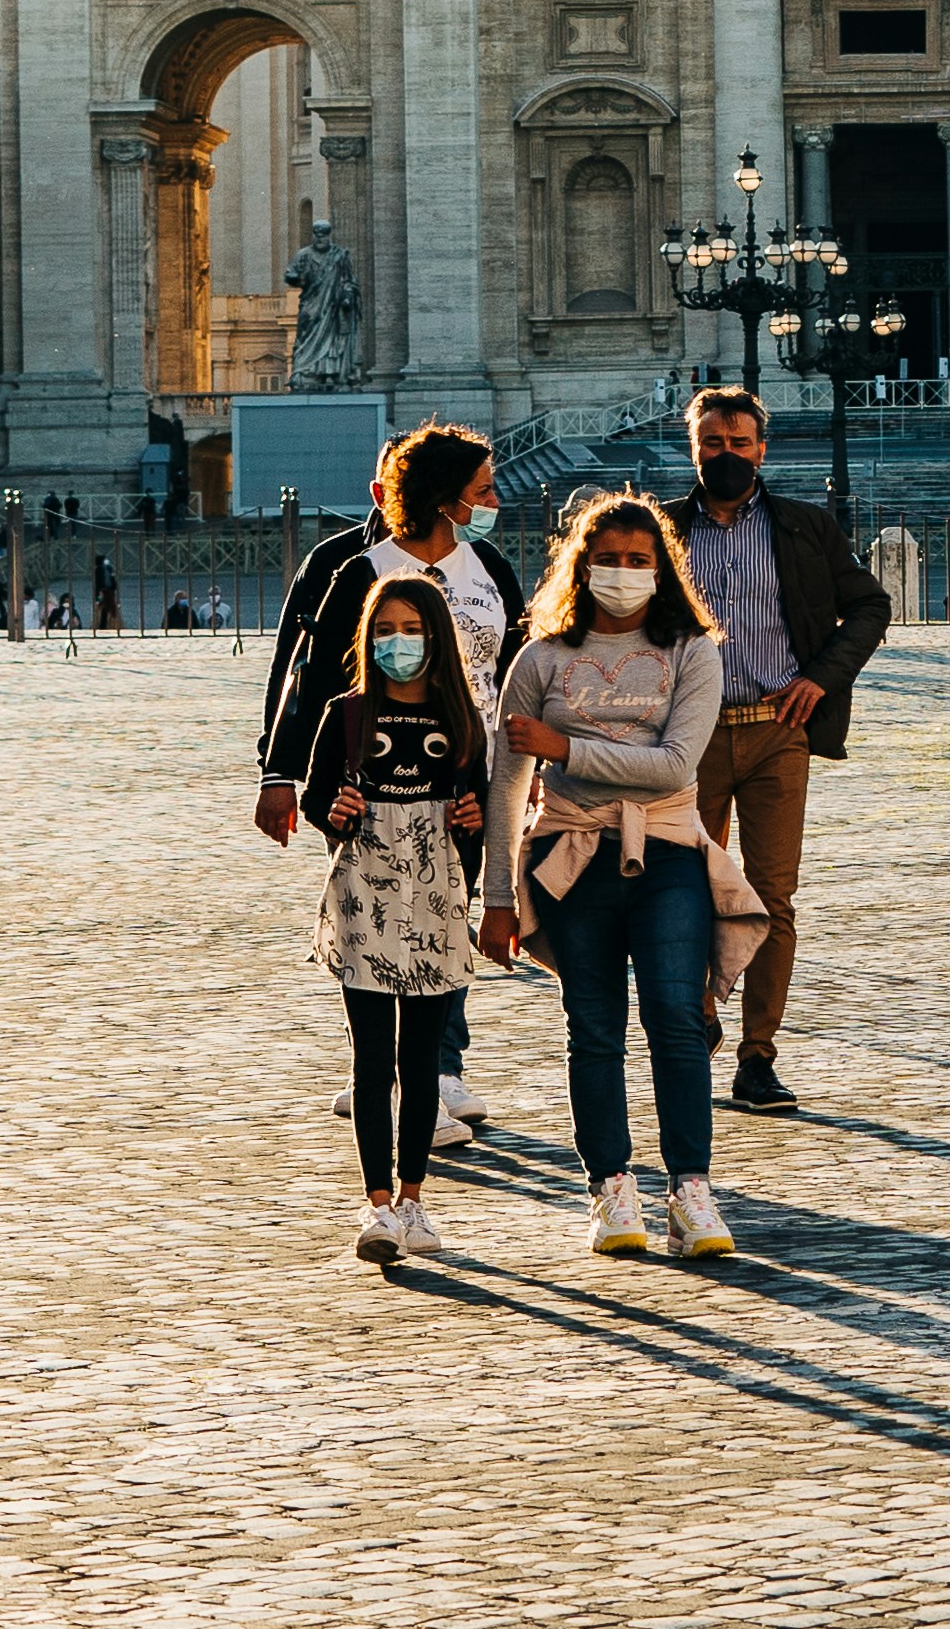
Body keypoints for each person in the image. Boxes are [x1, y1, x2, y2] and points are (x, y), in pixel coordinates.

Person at [476, 492, 743, 1261]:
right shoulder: (541, 656)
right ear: (579, 563)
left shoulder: (693, 650)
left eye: (638, 560)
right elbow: (504, 781)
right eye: (609, 559)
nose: (622, 573)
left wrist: (564, 747)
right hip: (568, 857)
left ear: (662, 571)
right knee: (592, 1027)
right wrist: (498, 897)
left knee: (675, 1020)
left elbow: (673, 766)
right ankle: (610, 1184)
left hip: (666, 853)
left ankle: (691, 1186)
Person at [257, 420, 511, 1144]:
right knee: (383, 926)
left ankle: (425, 1074)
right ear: (443, 498)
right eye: (482, 490)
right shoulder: (363, 570)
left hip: (469, 776)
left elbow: (517, 662)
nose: (494, 500)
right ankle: (398, 1083)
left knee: (442, 919)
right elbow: (308, 678)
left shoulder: (488, 564)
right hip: (377, 784)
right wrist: (281, 773)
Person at [661, 386, 891, 1118]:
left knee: (769, 896)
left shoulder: (804, 527)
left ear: (763, 448)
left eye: (739, 443)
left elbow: (870, 605)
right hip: (685, 740)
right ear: (691, 446)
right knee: (686, 893)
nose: (725, 455)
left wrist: (819, 680)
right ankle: (692, 1025)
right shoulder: (660, 530)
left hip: (775, 732)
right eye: (712, 444)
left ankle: (758, 1053)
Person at [308, 566, 490, 1264]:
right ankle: (377, 1203)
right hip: (366, 895)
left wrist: (470, 822)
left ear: (436, 637)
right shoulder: (348, 714)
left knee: (421, 1056)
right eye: (384, 630)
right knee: (370, 1054)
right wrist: (335, 811)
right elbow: (320, 800)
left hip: (436, 897)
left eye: (411, 629)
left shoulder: (459, 717)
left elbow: (472, 813)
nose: (398, 642)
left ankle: (415, 1198)